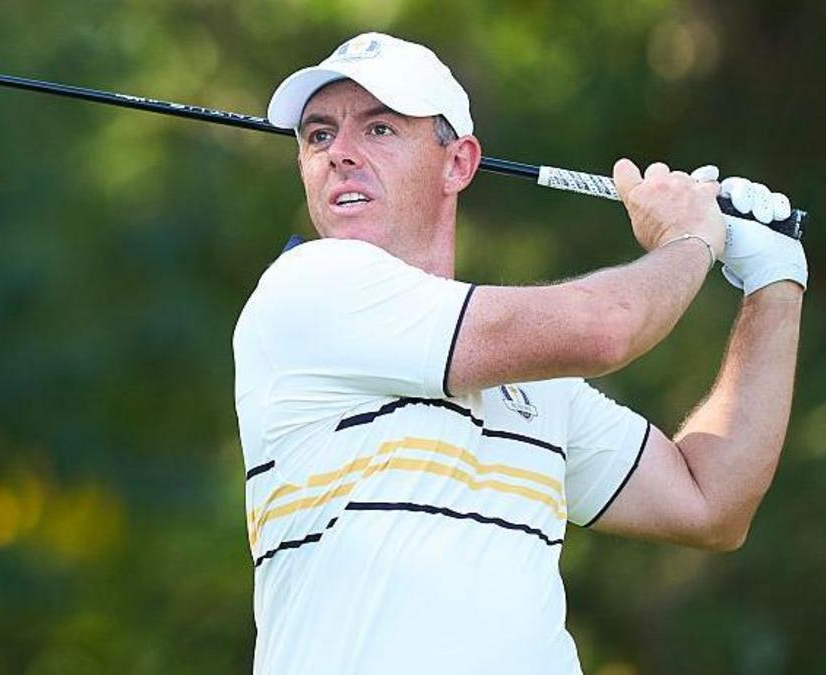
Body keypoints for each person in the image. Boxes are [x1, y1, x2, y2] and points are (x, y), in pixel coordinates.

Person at [232, 32, 807, 674]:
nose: (339, 154)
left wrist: (774, 281)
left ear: (458, 163)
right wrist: (692, 237)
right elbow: (607, 328)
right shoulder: (309, 290)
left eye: (380, 130)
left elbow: (711, 506)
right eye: (317, 136)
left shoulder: (536, 384)